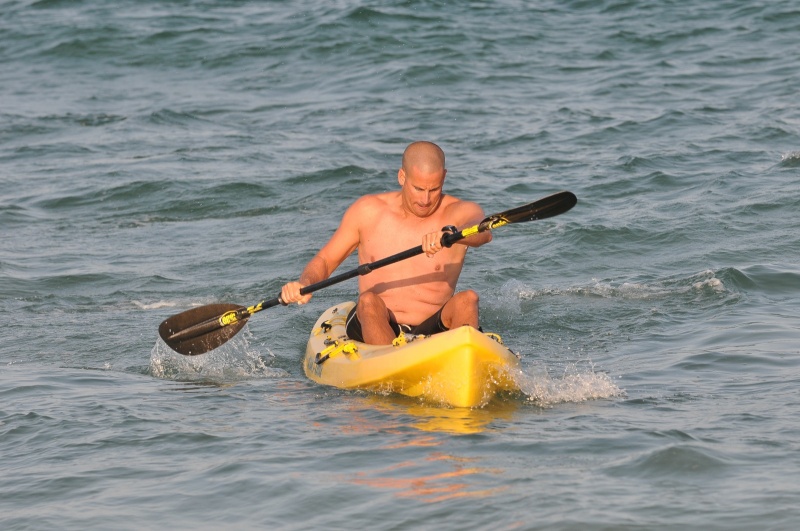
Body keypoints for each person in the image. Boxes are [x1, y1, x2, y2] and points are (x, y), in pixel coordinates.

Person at [280, 141, 492, 344]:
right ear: (402, 177)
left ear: (444, 177)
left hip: (432, 328)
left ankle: (466, 359)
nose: (425, 200)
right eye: (418, 189)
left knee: (468, 299)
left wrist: (452, 234)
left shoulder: (459, 212)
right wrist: (305, 284)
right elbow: (326, 260)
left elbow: (483, 232)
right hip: (376, 320)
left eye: (434, 189)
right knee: (368, 301)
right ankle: (391, 361)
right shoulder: (368, 211)